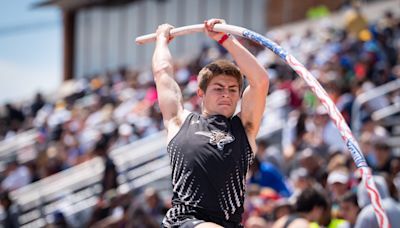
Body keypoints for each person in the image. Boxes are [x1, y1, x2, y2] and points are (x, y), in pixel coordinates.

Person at [152, 18, 269, 227]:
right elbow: (162, 73)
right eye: (218, 88)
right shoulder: (179, 121)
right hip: (184, 221)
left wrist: (226, 39)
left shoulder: (244, 128)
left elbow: (260, 81)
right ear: (201, 93)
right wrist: (162, 39)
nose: (227, 94)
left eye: (233, 89)